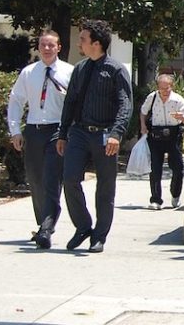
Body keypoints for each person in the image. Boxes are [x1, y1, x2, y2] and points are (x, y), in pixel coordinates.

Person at [57, 19, 133, 253]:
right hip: (79, 132)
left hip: (105, 135)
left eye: (83, 38)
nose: (79, 42)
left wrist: (116, 134)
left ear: (97, 43)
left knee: (105, 187)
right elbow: (70, 103)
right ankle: (83, 226)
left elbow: (125, 104)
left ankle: (99, 236)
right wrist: (63, 134)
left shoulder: (116, 69)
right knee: (70, 179)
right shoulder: (80, 68)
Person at [7, 29, 74, 249]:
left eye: (51, 45)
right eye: (43, 44)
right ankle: (43, 222)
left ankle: (46, 227)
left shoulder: (69, 72)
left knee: (51, 179)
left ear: (59, 48)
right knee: (35, 180)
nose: (47, 48)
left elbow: (74, 105)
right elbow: (16, 101)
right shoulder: (29, 72)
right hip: (34, 130)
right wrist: (15, 130)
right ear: (39, 46)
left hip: (57, 130)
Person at [139, 74, 184, 210]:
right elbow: (143, 112)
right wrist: (143, 126)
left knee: (177, 168)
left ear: (171, 87)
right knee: (155, 169)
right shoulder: (152, 97)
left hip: (173, 135)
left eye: (166, 88)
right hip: (156, 135)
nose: (164, 92)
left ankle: (175, 195)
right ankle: (156, 199)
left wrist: (182, 118)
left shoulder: (178, 100)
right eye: (161, 89)